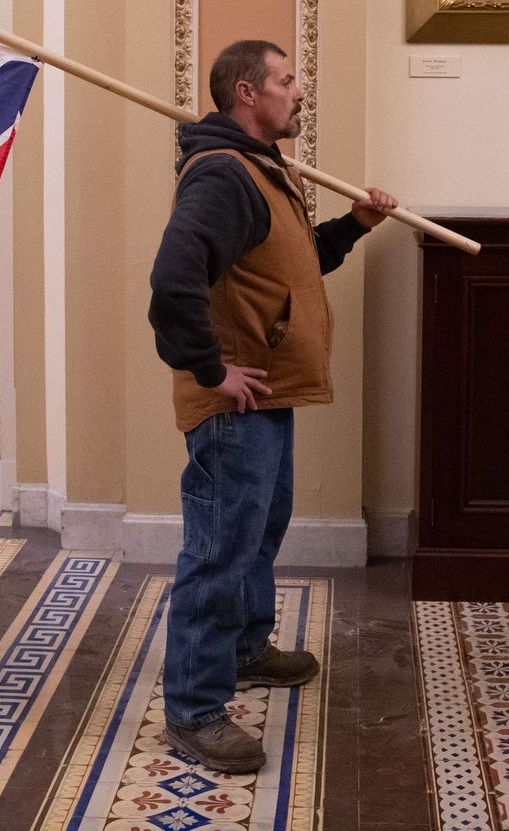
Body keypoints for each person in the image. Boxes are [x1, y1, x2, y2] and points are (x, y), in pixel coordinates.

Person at [148, 39, 398, 774]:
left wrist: (355, 225)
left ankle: (248, 649)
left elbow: (293, 264)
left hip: (270, 393)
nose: (300, 92)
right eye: (287, 81)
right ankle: (194, 710)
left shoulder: (264, 172)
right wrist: (208, 368)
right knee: (219, 551)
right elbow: (172, 280)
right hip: (236, 405)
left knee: (258, 534)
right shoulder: (224, 176)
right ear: (248, 94)